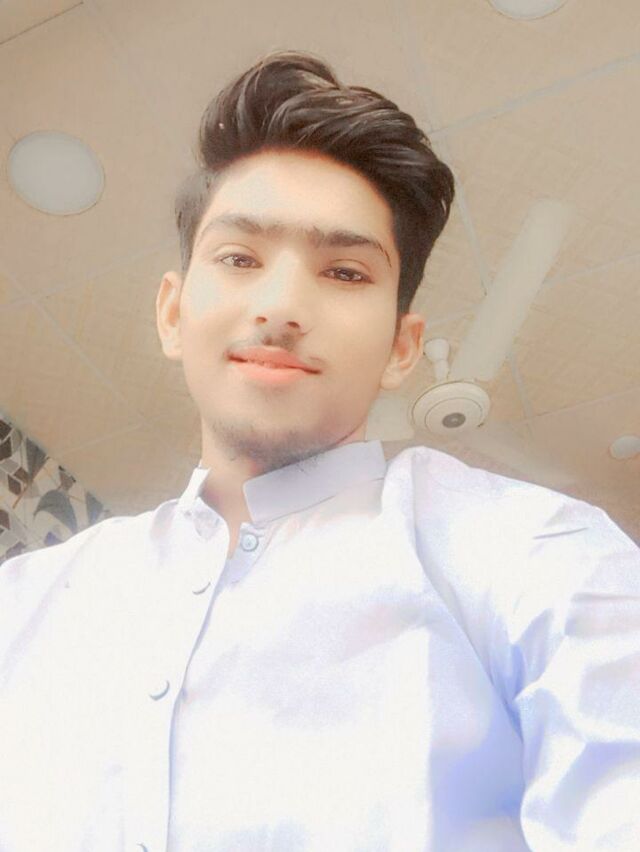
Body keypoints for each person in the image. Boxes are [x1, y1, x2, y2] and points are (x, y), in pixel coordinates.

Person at [0, 50, 638, 852]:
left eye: (344, 271)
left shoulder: (535, 553)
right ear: (171, 313)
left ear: (403, 346)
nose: (280, 306)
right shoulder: (23, 606)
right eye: (239, 258)